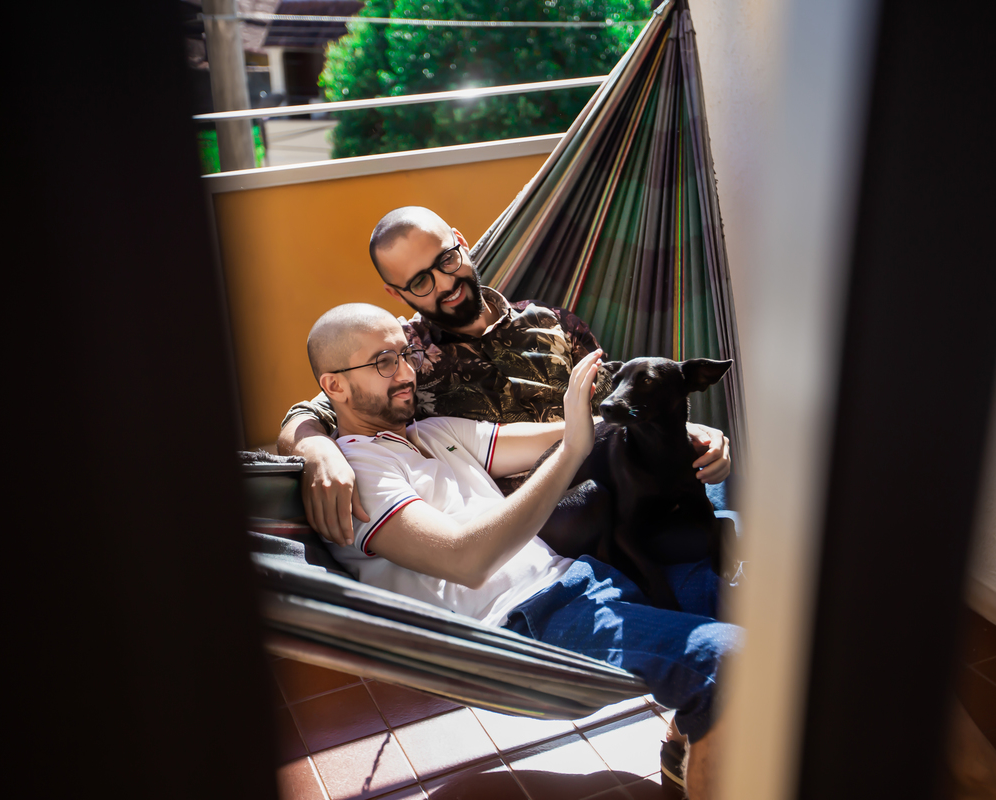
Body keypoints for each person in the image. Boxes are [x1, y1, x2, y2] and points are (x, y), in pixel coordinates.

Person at [306, 302, 741, 796]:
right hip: (531, 618)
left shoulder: (433, 433)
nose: (405, 372)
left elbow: (562, 433)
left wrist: (687, 433)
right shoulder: (356, 471)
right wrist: (574, 451)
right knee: (731, 663)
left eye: (404, 355)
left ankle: (687, 745)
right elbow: (462, 560)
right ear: (334, 386)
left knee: (768, 608)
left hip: (594, 574)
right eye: (384, 361)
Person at [278, 206, 732, 549]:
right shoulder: (401, 359)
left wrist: (687, 433)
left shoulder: (554, 322)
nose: (444, 284)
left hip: (632, 490)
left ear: (461, 241)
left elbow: (621, 403)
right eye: (420, 282)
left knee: (722, 493)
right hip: (542, 532)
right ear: (396, 292)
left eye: (446, 260)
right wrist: (315, 448)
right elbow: (314, 408)